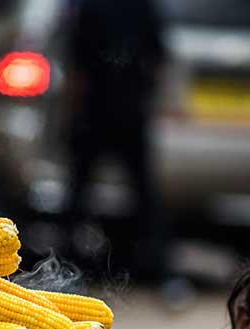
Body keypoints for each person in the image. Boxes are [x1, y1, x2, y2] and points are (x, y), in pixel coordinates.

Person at [63, 0, 167, 283]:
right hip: (111, 108)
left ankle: (149, 261)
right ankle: (72, 259)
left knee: (132, 191)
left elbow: (77, 64)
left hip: (109, 109)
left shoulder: (132, 7)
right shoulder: (102, 8)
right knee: (84, 190)